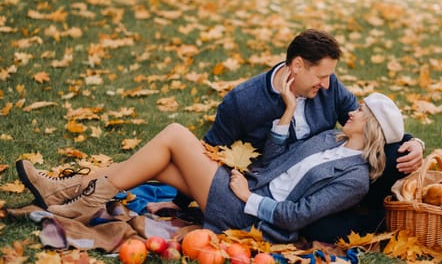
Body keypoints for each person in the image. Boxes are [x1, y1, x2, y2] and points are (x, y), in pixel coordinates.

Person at [16, 92, 405, 243]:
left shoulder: (354, 179)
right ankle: (63, 192)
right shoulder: (329, 139)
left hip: (248, 215)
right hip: (241, 185)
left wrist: (249, 198)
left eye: (361, 111)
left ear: (372, 126)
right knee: (155, 163)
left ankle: (78, 200)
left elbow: (296, 216)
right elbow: (272, 162)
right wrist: (286, 114)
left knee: (172, 135)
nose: (351, 111)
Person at [177, 28, 425, 241]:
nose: (327, 84)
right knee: (174, 142)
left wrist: (413, 141)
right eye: (321, 76)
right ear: (297, 66)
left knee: (175, 135)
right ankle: (157, 204)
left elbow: (380, 127)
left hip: (255, 207)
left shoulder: (350, 166)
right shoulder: (245, 101)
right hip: (249, 183)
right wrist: (288, 113)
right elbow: (214, 147)